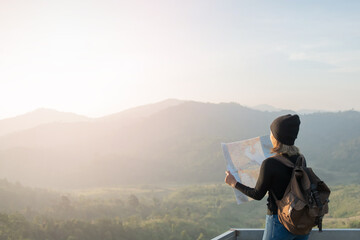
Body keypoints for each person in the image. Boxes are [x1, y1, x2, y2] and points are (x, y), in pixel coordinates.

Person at [224, 114, 310, 240]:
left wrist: (234, 183)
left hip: (279, 221)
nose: (270, 135)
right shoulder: (300, 159)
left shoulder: (270, 163)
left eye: (272, 132)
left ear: (277, 137)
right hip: (301, 221)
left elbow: (257, 194)